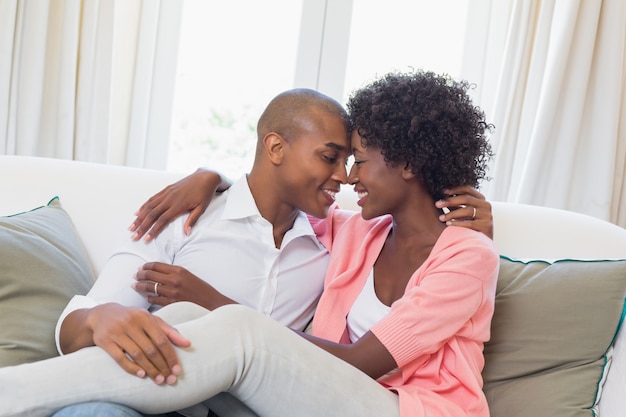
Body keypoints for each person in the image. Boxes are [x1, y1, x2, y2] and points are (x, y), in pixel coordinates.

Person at [1, 69, 498, 417]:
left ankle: (11, 396)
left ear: (410, 164)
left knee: (223, 319)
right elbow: (269, 196)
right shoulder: (358, 234)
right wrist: (210, 175)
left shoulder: (467, 255)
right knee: (176, 326)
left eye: (357, 160)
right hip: (300, 400)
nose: (347, 178)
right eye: (337, 159)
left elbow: (362, 361)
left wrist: (212, 300)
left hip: (409, 409)